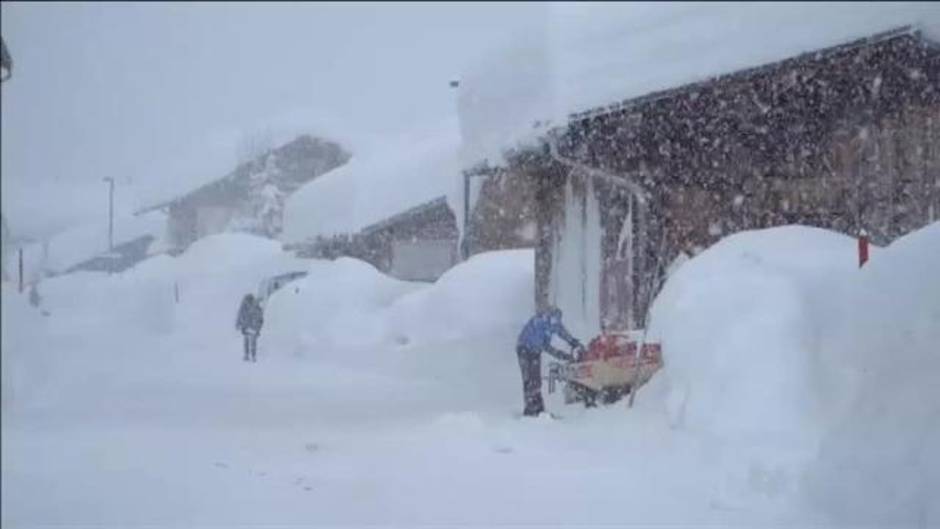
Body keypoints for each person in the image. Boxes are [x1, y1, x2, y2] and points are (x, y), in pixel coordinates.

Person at [516, 306, 583, 417]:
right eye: (555, 321)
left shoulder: (551, 324)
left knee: (536, 379)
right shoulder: (539, 323)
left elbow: (561, 331)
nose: (556, 325)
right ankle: (530, 409)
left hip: (534, 351)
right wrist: (561, 355)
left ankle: (538, 408)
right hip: (524, 350)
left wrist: (572, 341)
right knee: (529, 379)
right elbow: (544, 346)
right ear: (549, 317)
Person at [236, 293, 264, 362]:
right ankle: (252, 356)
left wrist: (238, 324)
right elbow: (260, 315)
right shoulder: (254, 305)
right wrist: (259, 324)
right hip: (252, 326)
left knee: (247, 341)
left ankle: (247, 355)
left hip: (247, 326)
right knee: (252, 341)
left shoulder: (244, 306)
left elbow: (240, 315)